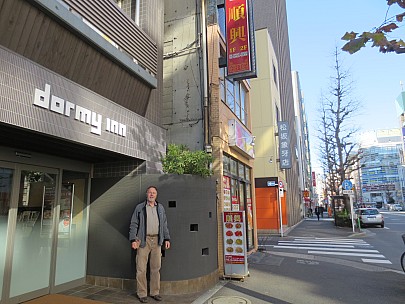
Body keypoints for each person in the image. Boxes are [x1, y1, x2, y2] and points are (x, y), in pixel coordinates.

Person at [129, 186, 171, 303]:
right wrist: (133, 239)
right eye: (150, 193)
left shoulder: (161, 208)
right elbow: (133, 224)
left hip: (157, 241)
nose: (152, 195)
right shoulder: (140, 208)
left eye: (154, 193)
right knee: (141, 269)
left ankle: (155, 292)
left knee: (155, 268)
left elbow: (164, 224)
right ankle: (142, 293)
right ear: (146, 194)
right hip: (143, 240)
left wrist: (166, 238)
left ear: (156, 195)